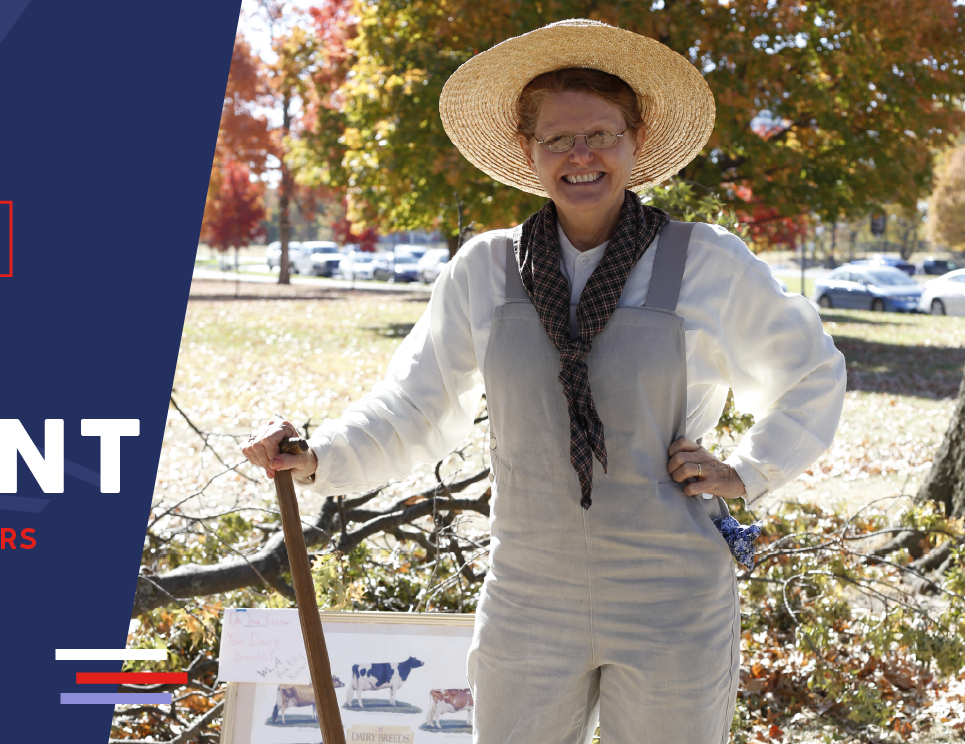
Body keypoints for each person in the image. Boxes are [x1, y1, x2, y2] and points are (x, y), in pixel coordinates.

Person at [240, 19, 845, 744]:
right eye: (557, 138)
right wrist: (318, 454)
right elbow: (416, 404)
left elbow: (812, 370)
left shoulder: (704, 262)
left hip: (671, 600)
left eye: (601, 134)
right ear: (528, 152)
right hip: (529, 596)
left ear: (637, 142)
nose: (580, 155)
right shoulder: (485, 271)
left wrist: (747, 470)